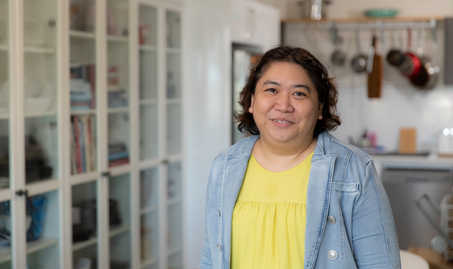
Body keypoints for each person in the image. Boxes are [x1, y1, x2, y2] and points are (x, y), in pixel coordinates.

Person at [200, 46, 401, 269]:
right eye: (271, 90)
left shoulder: (354, 170)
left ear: (319, 108)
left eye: (299, 94)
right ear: (252, 101)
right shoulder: (224, 166)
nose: (284, 106)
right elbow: (211, 257)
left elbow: (381, 264)